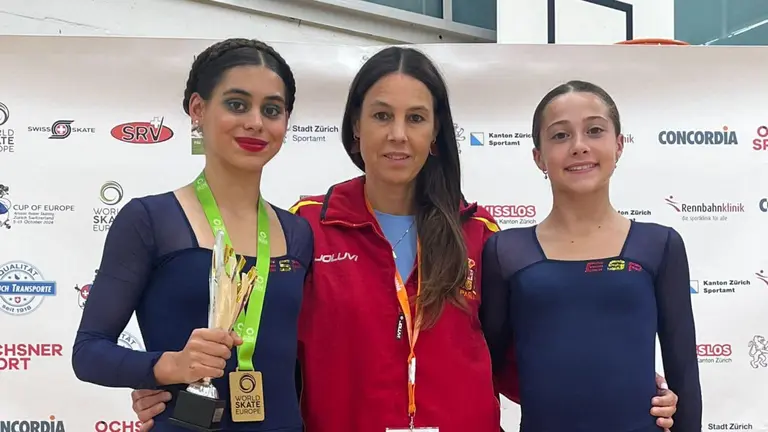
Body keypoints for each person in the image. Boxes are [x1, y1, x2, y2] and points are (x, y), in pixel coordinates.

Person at [128, 49, 681, 432]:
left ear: (435, 133)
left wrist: (624, 389)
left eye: (416, 118)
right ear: (355, 129)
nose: (398, 134)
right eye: (382, 116)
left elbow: (512, 359)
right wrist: (172, 386)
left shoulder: (480, 234)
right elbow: (258, 337)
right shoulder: (305, 227)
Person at [71, 38, 312, 432]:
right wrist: (166, 367)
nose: (255, 121)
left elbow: (304, 359)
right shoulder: (150, 220)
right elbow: (89, 352)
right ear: (198, 109)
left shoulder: (298, 232)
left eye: (271, 109)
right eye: (237, 104)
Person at [481, 80, 702, 431]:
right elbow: (483, 373)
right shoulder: (506, 252)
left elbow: (685, 376)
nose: (579, 146)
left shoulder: (659, 245)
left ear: (618, 145)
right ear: (538, 157)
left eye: (594, 130)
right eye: (560, 136)